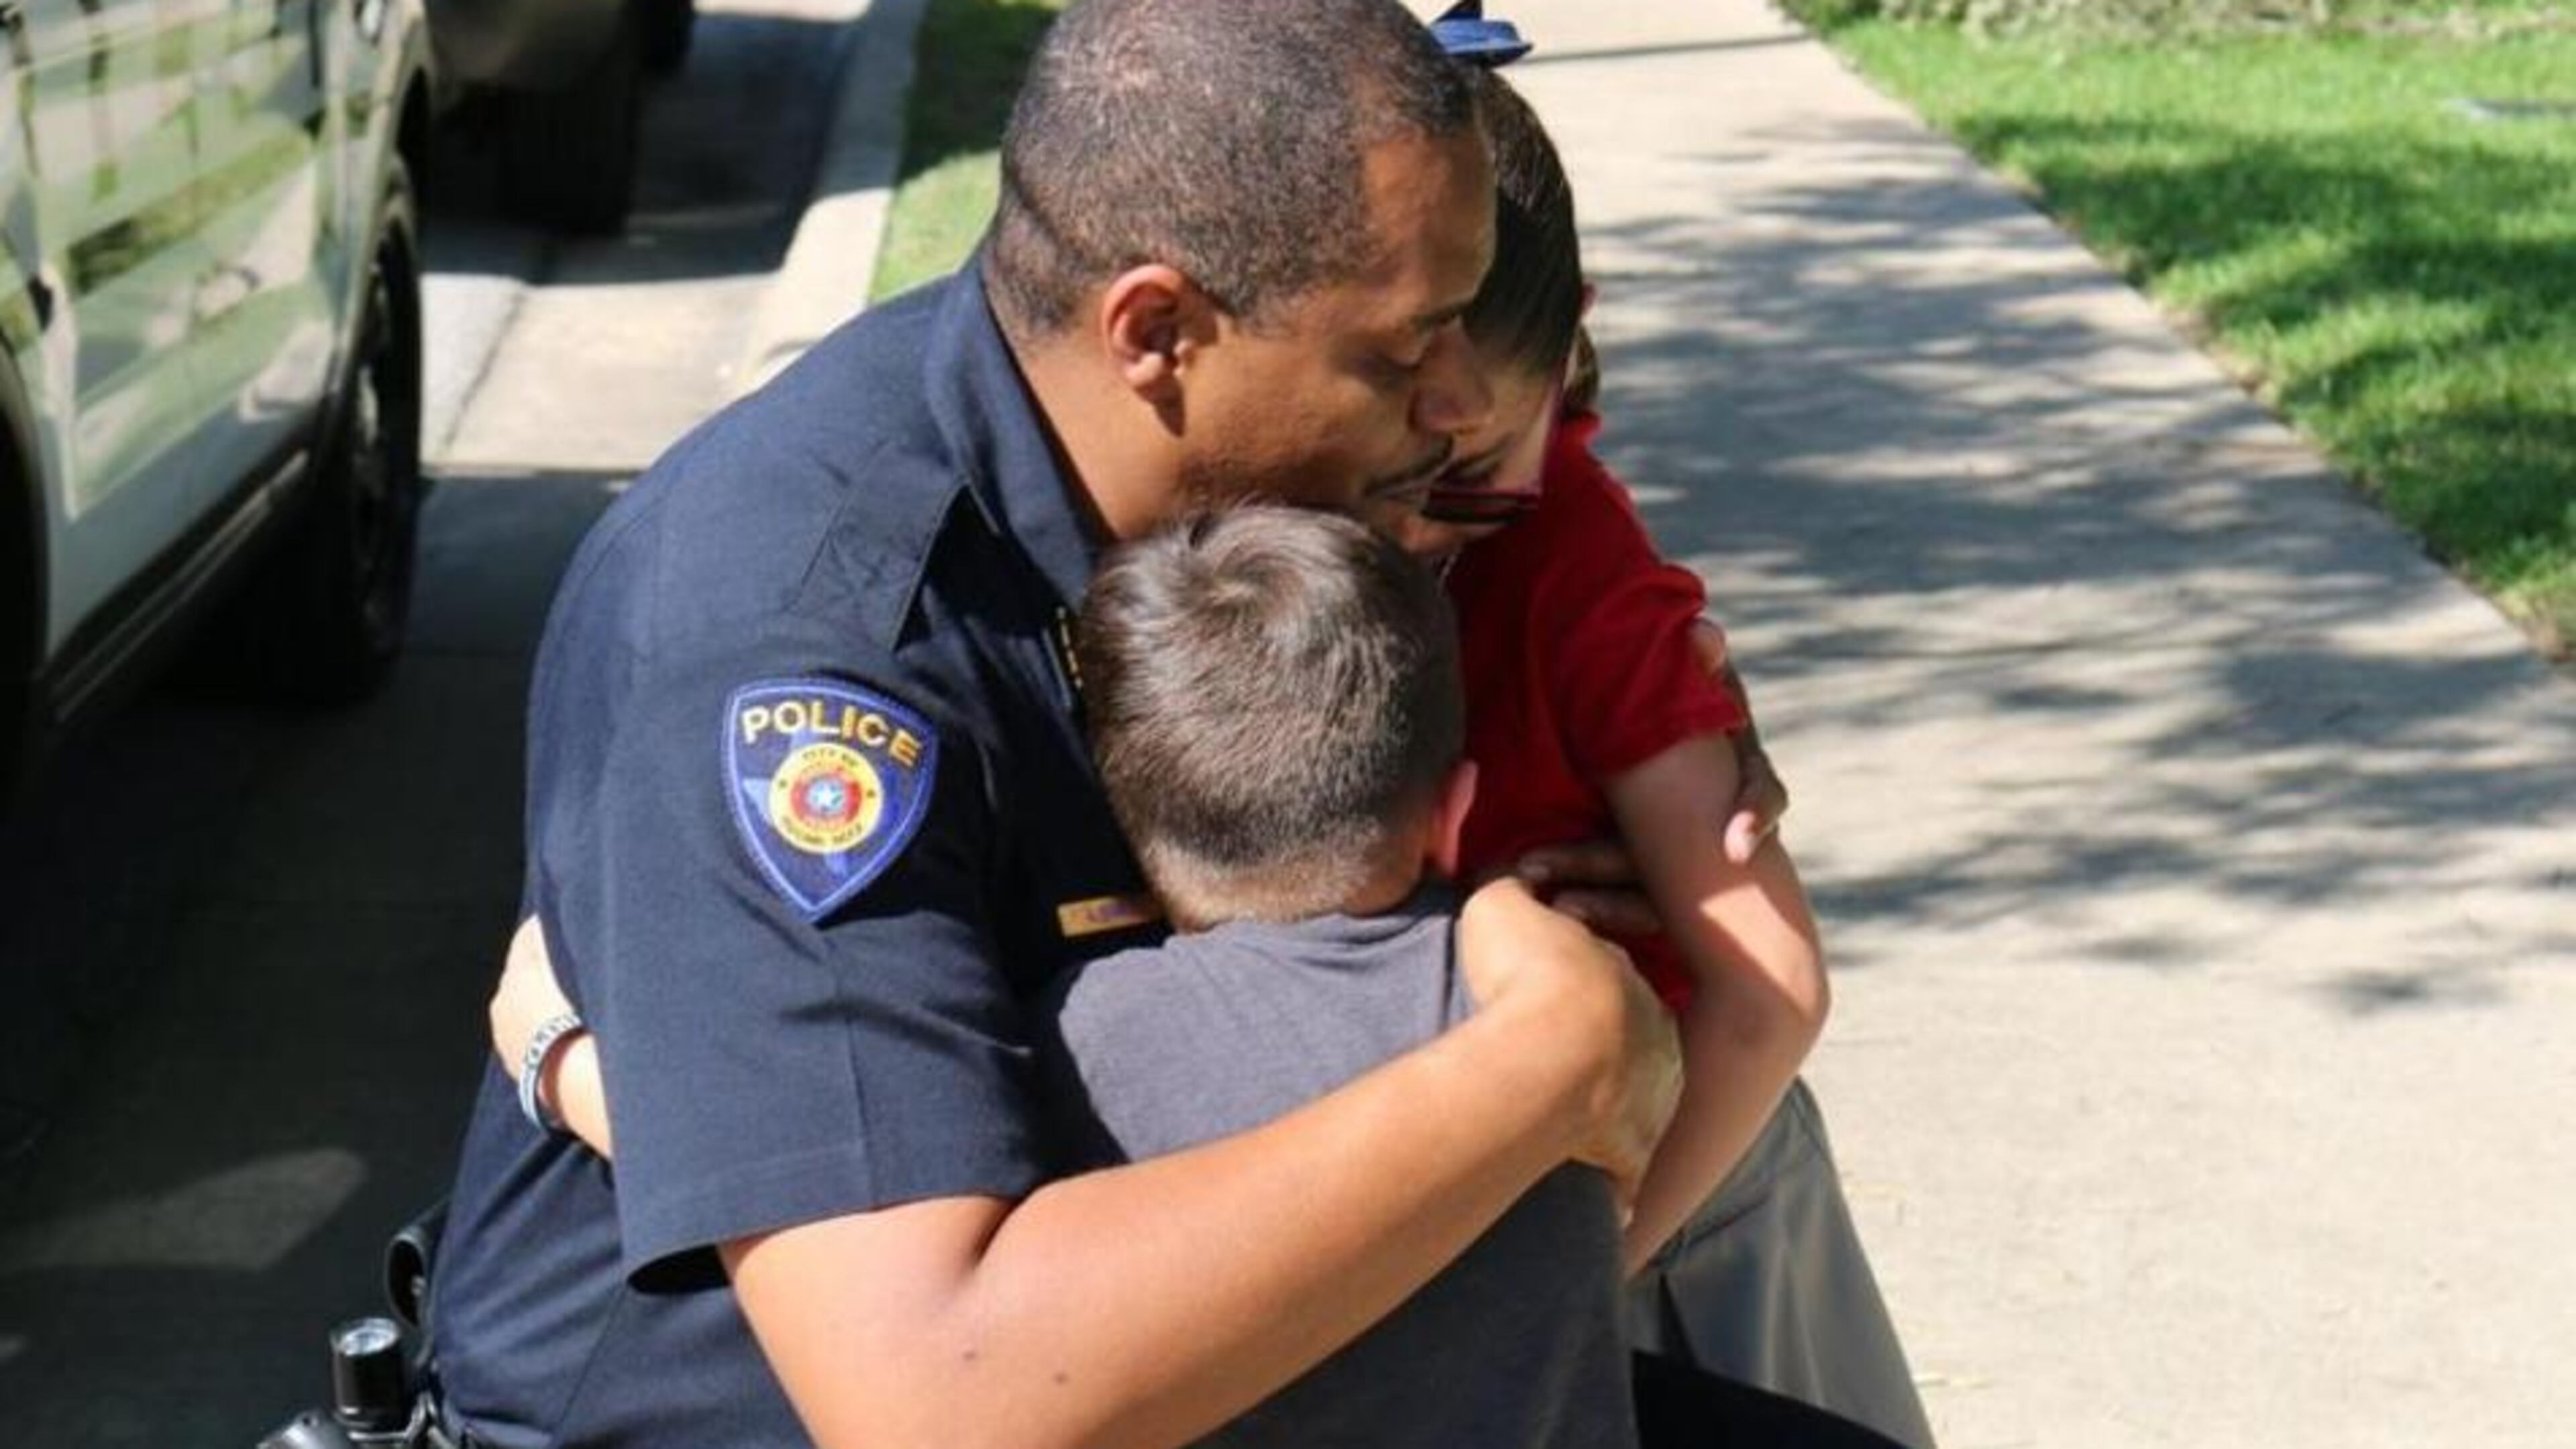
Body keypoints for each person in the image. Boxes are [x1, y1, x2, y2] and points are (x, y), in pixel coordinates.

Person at [423, 4, 1701, 1448]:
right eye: (1411, 345)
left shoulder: (1156, 461)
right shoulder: (809, 653)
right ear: (1155, 333)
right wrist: (1547, 1057)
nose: (1461, 399)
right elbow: (936, 1400)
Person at [1362, 62, 1936, 1449]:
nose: (1421, 531)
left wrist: (1594, 1270)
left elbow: (1770, 986)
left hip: (1669, 1222)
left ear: (1567, 354)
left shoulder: (1578, 569)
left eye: (1471, 473)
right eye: (1384, 470)